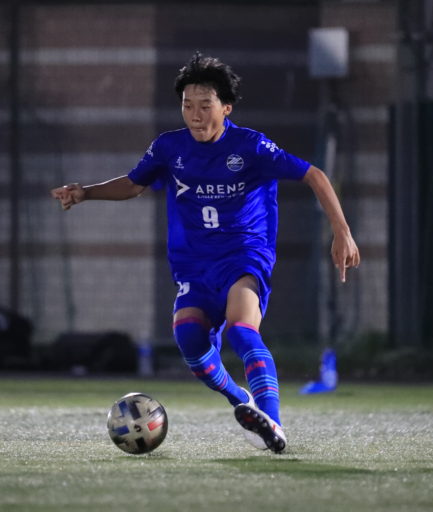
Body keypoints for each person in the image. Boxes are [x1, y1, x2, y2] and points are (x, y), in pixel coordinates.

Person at [52, 52, 359, 453]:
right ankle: (241, 401)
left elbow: (314, 175)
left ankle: (274, 423)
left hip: (243, 256)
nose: (195, 116)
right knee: (190, 339)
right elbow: (134, 183)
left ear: (226, 107)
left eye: (205, 106)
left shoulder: (251, 146)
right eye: (187, 106)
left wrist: (342, 232)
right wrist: (85, 193)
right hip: (193, 265)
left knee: (241, 329)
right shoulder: (169, 148)